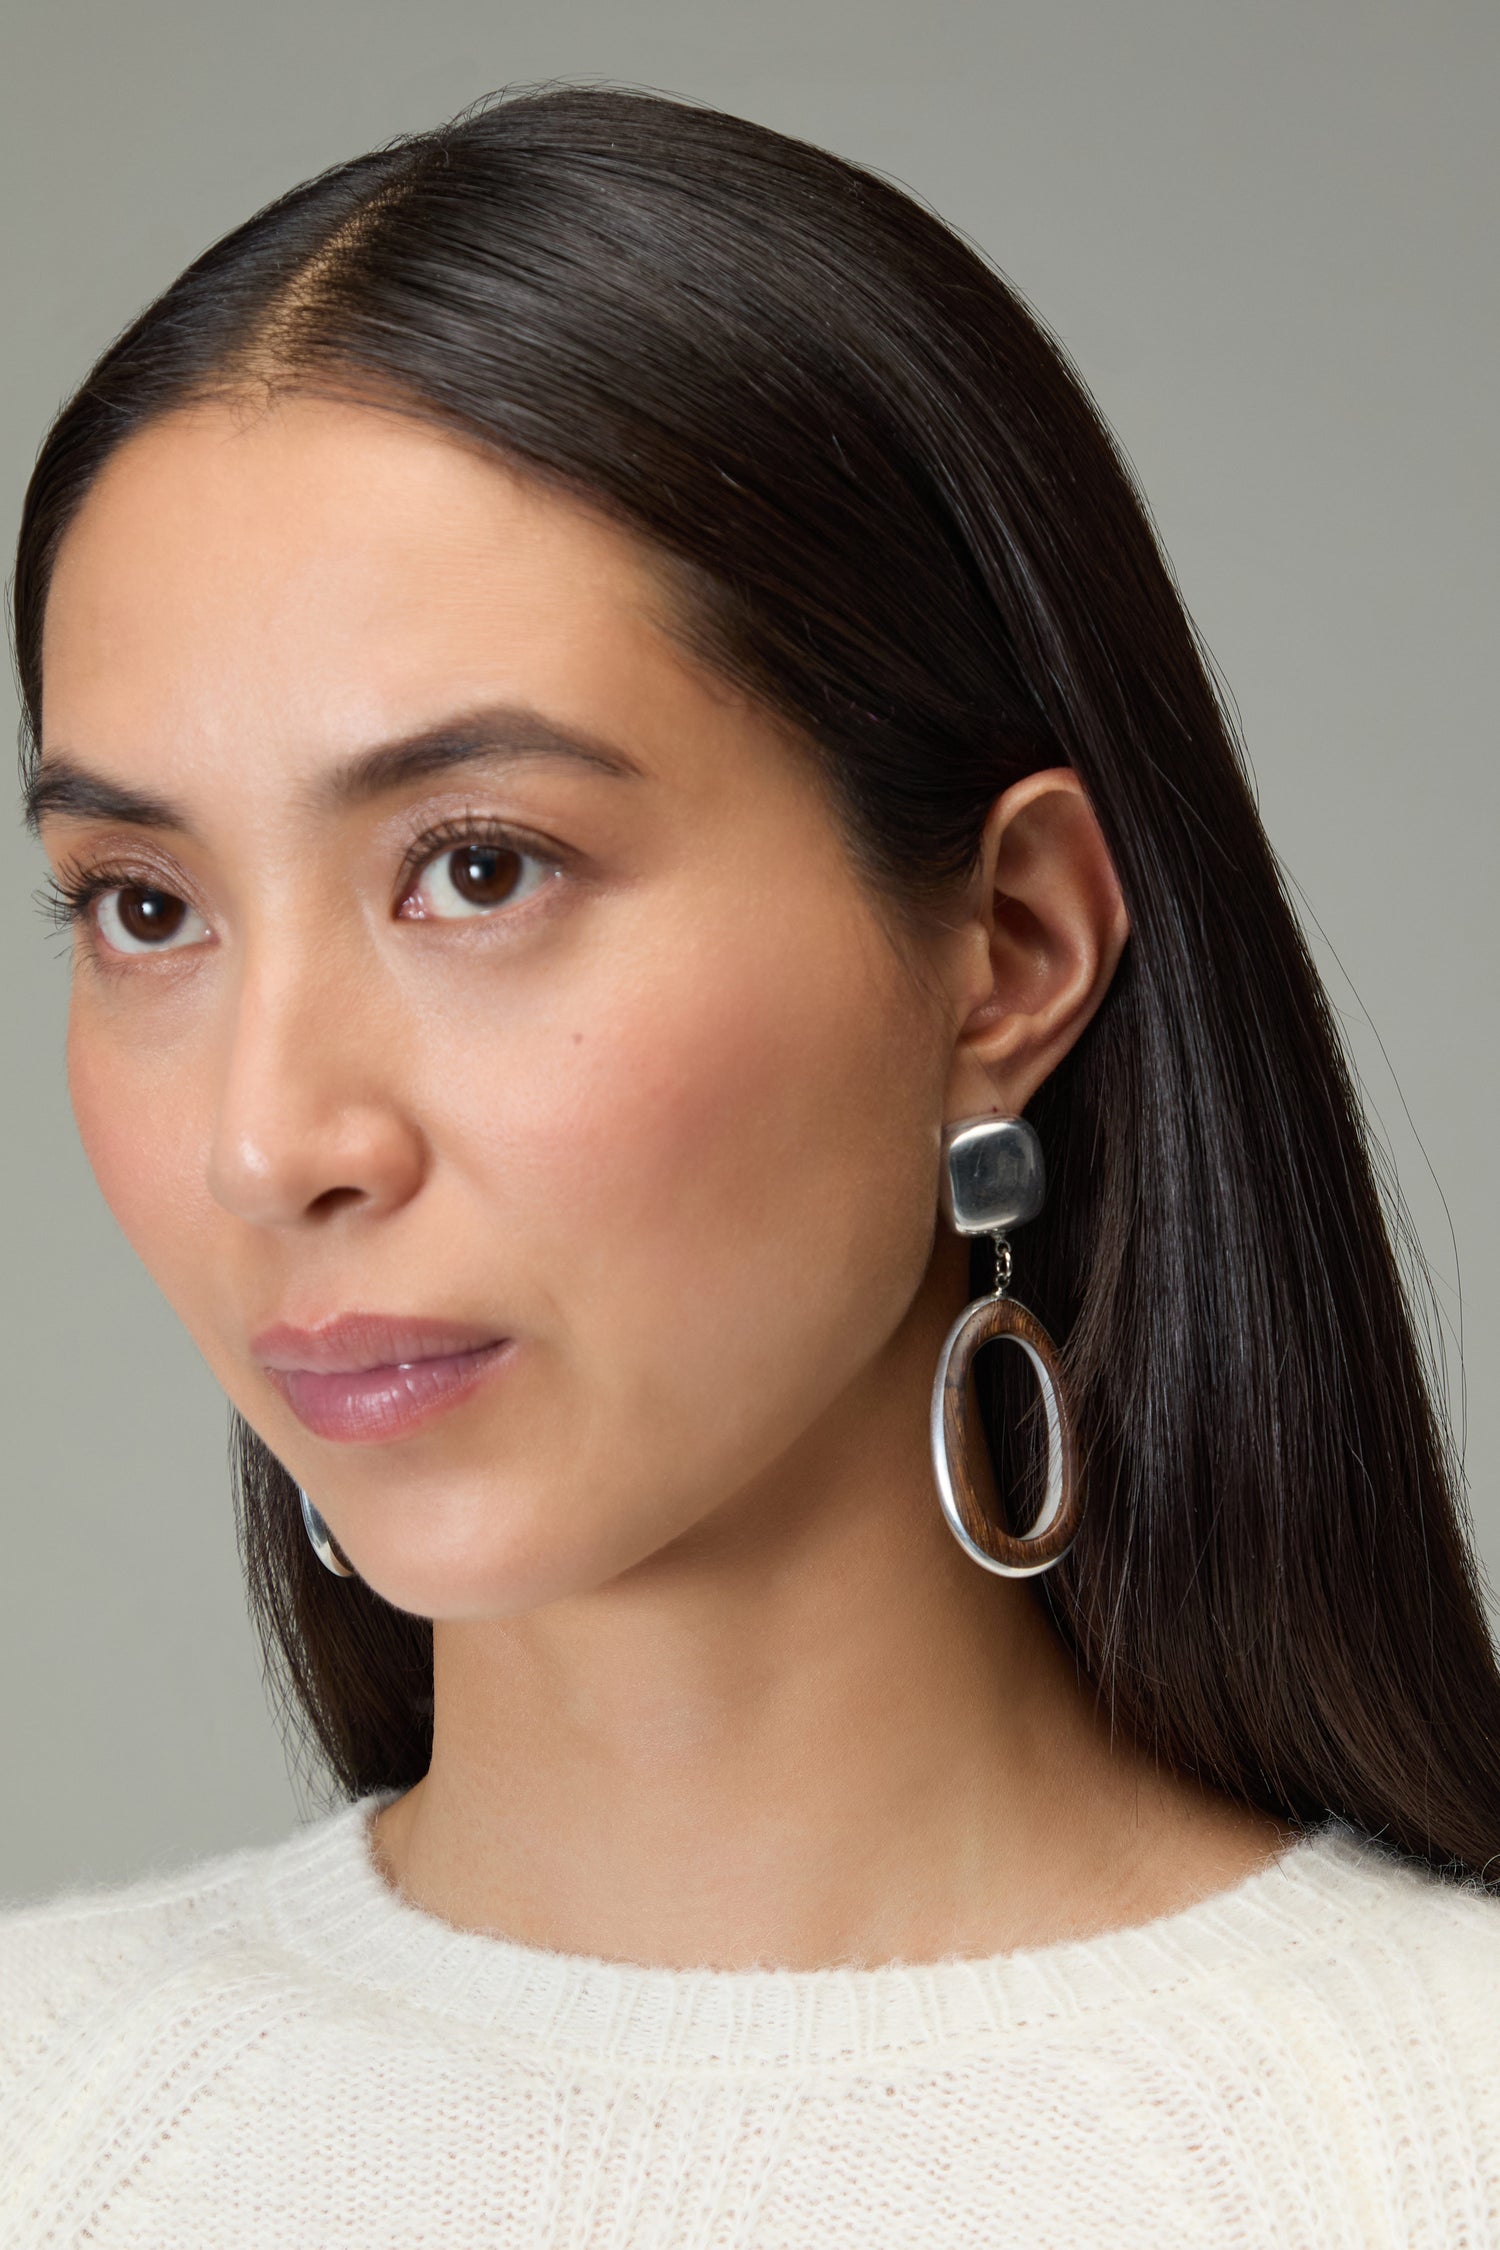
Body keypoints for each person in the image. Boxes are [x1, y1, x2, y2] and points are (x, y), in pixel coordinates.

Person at [3, 82, 1498, 2249]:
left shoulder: (1432, 2140)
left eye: (478, 867)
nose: (267, 1141)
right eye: (145, 904)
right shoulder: (52, 2118)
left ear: (1008, 950)